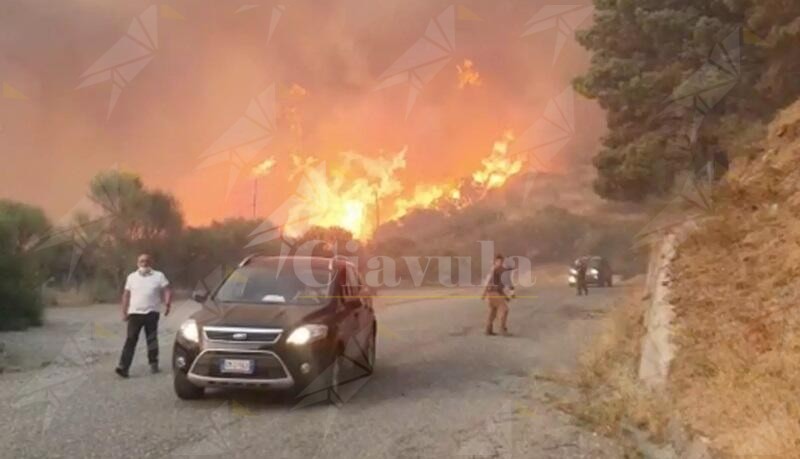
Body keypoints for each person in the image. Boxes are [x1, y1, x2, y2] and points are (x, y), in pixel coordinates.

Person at [115, 253, 172, 378]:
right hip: (135, 313)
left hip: (152, 312)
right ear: (137, 263)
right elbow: (126, 294)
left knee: (151, 339)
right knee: (130, 339)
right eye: (141, 261)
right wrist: (124, 311)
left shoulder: (159, 276)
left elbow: (167, 289)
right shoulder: (132, 277)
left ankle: (153, 362)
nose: (144, 263)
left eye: (146, 261)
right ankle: (123, 367)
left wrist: (167, 303)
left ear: (151, 263)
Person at [481, 254, 515, 336]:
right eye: (498, 261)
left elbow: (495, 286)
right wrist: (512, 289)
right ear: (495, 262)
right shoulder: (499, 270)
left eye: (501, 261)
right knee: (505, 309)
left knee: (493, 311)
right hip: (493, 293)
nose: (500, 263)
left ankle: (488, 330)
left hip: (491, 293)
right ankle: (502, 330)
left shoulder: (494, 271)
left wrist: (484, 294)